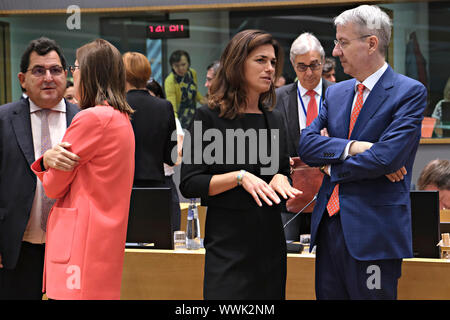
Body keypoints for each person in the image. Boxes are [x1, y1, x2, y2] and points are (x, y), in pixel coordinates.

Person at [298, 5, 427, 300]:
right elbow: (306, 144)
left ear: (371, 43)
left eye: (342, 41)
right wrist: (354, 148)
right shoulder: (335, 92)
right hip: (328, 230)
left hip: (374, 235)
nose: (335, 51)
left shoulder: (409, 92)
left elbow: (387, 158)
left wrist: (330, 166)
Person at [180, 29, 302, 300]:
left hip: (270, 244)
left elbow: (281, 171)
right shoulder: (208, 117)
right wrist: (238, 177)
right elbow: (189, 183)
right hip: (228, 246)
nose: (269, 68)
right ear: (237, 64)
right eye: (260, 60)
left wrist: (283, 178)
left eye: (272, 62)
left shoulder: (275, 118)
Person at [30, 39, 135, 300]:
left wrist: (45, 161)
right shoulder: (121, 119)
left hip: (79, 244)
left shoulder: (91, 118)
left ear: (89, 72)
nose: (70, 74)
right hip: (103, 243)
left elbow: (53, 186)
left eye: (74, 67)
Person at [0, 37, 79, 299]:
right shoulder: (3, 119)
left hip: (72, 251)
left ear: (66, 76)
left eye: (55, 70)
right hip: (16, 249)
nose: (48, 77)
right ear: (22, 79)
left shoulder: (83, 119)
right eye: (39, 70)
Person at [275, 32, 334, 239]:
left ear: (323, 61)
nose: (309, 73)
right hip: (289, 195)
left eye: (314, 65)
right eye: (302, 67)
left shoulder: (339, 94)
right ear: (293, 64)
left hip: (329, 194)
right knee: (288, 258)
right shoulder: (277, 98)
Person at [123, 52, 178, 229]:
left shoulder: (116, 105)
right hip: (157, 187)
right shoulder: (164, 107)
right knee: (157, 250)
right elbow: (171, 156)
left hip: (123, 188)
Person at [164, 50, 207, 129]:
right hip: (180, 118)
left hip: (193, 114)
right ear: (172, 66)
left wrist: (207, 103)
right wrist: (176, 125)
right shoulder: (170, 81)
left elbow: (195, 92)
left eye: (183, 64)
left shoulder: (192, 73)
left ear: (188, 63)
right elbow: (172, 106)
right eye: (176, 66)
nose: (180, 68)